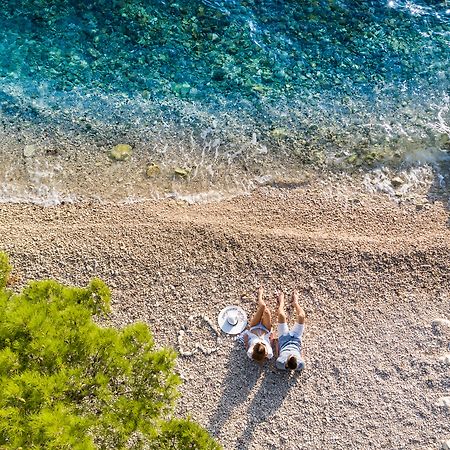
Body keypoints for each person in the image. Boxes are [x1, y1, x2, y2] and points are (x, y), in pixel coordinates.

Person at [275, 290, 306, 371]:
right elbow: (302, 354)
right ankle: (295, 303)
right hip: (296, 338)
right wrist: (300, 347)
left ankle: (281, 303)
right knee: (302, 316)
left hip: (283, 338)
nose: (292, 354)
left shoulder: (280, 363)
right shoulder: (301, 364)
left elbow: (278, 353)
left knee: (281, 315)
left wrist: (276, 342)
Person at [241, 286, 274, 363]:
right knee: (266, 312)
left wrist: (246, 340)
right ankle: (260, 298)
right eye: (262, 344)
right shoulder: (269, 353)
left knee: (262, 307)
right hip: (266, 329)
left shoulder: (250, 353)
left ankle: (260, 296)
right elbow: (271, 344)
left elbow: (246, 345)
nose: (260, 341)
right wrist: (271, 339)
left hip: (254, 327)